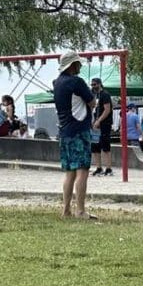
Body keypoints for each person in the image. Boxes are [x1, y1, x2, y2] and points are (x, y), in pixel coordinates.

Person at [53, 51, 95, 219]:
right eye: (78, 63)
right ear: (72, 65)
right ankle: (81, 210)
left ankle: (66, 210)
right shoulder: (77, 82)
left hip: (64, 131)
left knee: (69, 172)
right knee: (82, 170)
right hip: (79, 130)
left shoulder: (57, 83)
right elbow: (92, 102)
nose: (80, 66)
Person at [89, 77, 113, 177]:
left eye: (95, 84)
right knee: (95, 146)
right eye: (92, 85)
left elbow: (107, 110)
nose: (93, 86)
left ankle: (109, 168)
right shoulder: (93, 95)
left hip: (104, 124)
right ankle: (99, 167)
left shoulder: (105, 95)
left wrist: (99, 120)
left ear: (99, 84)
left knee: (105, 146)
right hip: (94, 124)